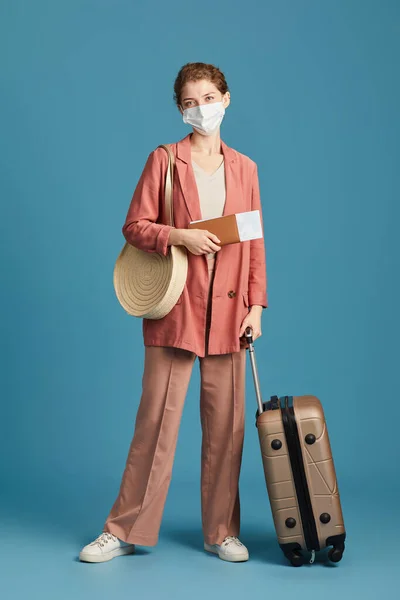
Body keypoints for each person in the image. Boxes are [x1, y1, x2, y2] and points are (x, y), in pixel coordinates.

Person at [79, 62, 268, 564]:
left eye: (209, 97)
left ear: (227, 99)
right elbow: (134, 225)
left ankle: (222, 530)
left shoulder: (246, 169)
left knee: (227, 431)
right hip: (175, 310)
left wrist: (256, 306)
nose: (200, 107)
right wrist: (176, 236)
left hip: (230, 315)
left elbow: (254, 243)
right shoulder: (164, 160)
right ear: (180, 109)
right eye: (190, 101)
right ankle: (122, 530)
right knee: (155, 427)